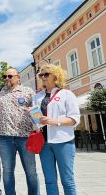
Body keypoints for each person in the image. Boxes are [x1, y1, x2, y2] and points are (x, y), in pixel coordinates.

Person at [33, 64, 80, 195]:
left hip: (63, 141)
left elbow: (74, 119)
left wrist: (54, 121)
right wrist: (33, 116)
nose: (43, 77)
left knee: (67, 180)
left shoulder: (67, 94)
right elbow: (37, 121)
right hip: (44, 143)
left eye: (46, 74)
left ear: (56, 76)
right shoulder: (37, 97)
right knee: (49, 180)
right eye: (41, 75)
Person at [0, 68, 39, 195]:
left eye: (10, 76)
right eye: (5, 76)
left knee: (31, 170)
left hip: (25, 136)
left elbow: (36, 112)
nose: (7, 78)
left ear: (18, 77)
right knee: (7, 171)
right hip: (4, 137)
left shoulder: (28, 91)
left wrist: (40, 127)